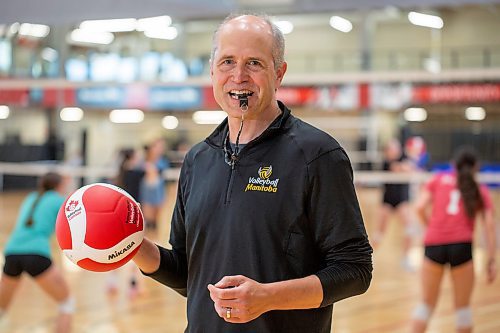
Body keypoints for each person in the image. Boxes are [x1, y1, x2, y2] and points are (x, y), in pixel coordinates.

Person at [133, 14, 372, 332]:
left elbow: (355, 270)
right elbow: (189, 274)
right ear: (212, 71)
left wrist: (268, 297)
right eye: (227, 62)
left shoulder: (317, 155)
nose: (239, 76)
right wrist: (133, 247)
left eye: (255, 63)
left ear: (279, 73)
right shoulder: (197, 160)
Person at [411, 147, 497, 333]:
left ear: (453, 165)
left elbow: (418, 207)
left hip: (433, 245)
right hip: (462, 247)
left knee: (425, 305)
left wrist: (431, 229)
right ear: (476, 168)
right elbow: (489, 226)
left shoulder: (438, 179)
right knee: (463, 310)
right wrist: (491, 259)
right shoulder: (478, 189)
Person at [0, 172, 73, 333]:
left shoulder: (31, 198)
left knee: (1, 309)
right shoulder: (59, 200)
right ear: (59, 185)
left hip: (12, 253)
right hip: (37, 255)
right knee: (66, 303)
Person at [373, 138, 417, 270]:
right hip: (387, 201)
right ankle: (369, 258)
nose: (396, 150)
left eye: (397, 147)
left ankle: (406, 258)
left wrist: (407, 166)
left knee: (410, 228)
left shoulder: (406, 158)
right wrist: (404, 167)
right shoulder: (386, 163)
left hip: (402, 201)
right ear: (387, 151)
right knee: (379, 232)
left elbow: (411, 169)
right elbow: (397, 168)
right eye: (392, 148)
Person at [139, 138, 169, 233]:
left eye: (162, 147)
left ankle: (155, 239)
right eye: (158, 147)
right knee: (147, 216)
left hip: (158, 190)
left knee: (156, 217)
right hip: (147, 190)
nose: (160, 149)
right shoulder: (144, 159)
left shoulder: (163, 162)